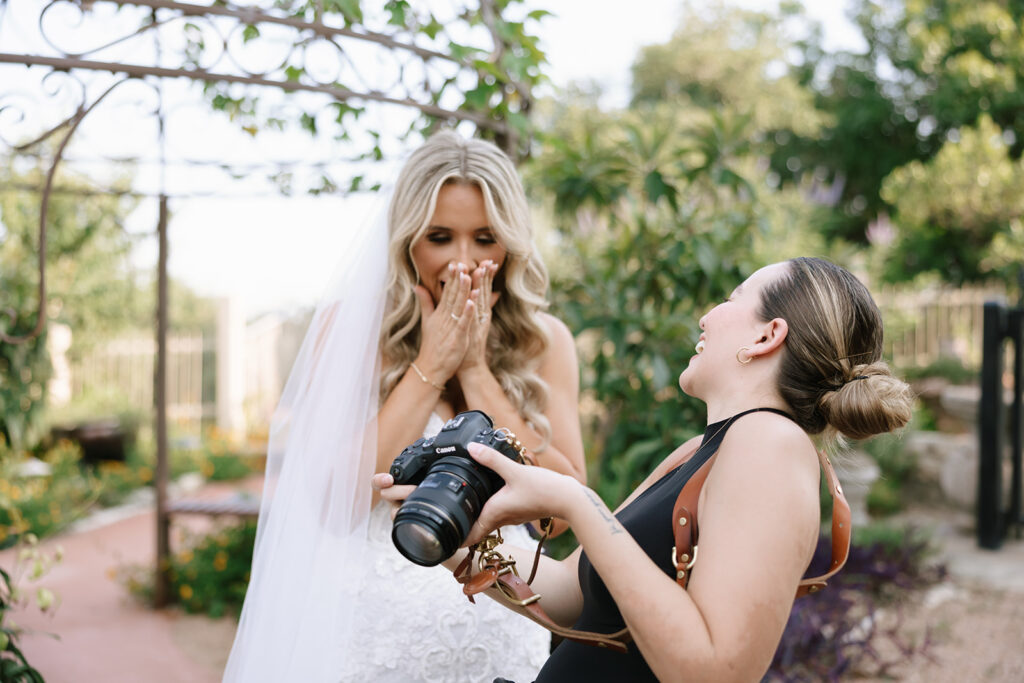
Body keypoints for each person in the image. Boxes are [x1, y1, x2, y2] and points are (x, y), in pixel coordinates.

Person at [375, 256, 915, 682]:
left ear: (766, 336)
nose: (707, 316)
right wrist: (451, 535)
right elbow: (572, 592)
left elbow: (714, 672)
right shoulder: (698, 452)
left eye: (732, 300)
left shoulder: (771, 444)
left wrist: (575, 503)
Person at [224, 131, 586, 683]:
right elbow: (333, 502)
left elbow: (560, 515)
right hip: (373, 642)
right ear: (408, 242)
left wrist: (474, 369)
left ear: (509, 244)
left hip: (506, 635)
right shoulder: (352, 332)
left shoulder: (546, 342)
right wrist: (432, 366)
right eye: (440, 237)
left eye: (484, 238)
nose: (462, 262)